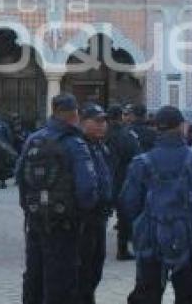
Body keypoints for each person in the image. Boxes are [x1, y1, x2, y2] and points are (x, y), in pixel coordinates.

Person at [121, 105, 192, 304]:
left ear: (156, 129)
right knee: (189, 295)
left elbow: (129, 203)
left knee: (147, 293)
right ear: (182, 126)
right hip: (190, 238)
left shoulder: (141, 162)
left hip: (151, 238)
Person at [17, 93, 99, 304]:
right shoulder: (75, 143)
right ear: (74, 114)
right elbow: (87, 188)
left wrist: (30, 208)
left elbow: (20, 177)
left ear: (53, 111)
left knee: (34, 273)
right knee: (61, 278)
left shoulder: (33, 139)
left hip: (35, 219)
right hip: (64, 223)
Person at [78, 103, 114, 304]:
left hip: (100, 216)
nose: (102, 125)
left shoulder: (100, 146)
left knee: (95, 266)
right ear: (83, 122)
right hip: (84, 219)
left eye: (104, 121)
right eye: (97, 121)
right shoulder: (77, 146)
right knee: (83, 268)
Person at [105, 104, 140, 261]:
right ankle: (122, 248)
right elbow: (135, 155)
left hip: (103, 179)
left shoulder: (100, 133)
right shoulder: (126, 135)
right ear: (120, 116)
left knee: (99, 215)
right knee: (124, 216)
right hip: (122, 179)